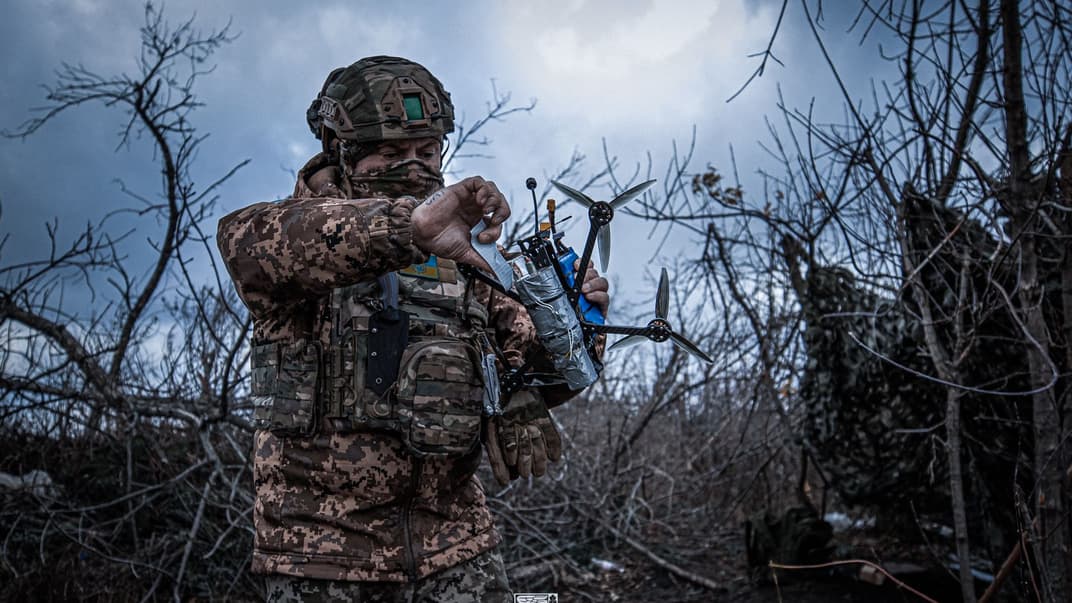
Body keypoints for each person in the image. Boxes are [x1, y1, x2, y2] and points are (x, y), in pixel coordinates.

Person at [217, 55, 608, 602]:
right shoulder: (291, 237)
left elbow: (541, 374)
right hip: (322, 558)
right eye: (393, 152)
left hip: (457, 550)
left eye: (428, 150)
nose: (417, 165)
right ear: (340, 150)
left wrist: (576, 322)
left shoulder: (469, 259)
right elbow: (248, 246)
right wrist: (412, 226)